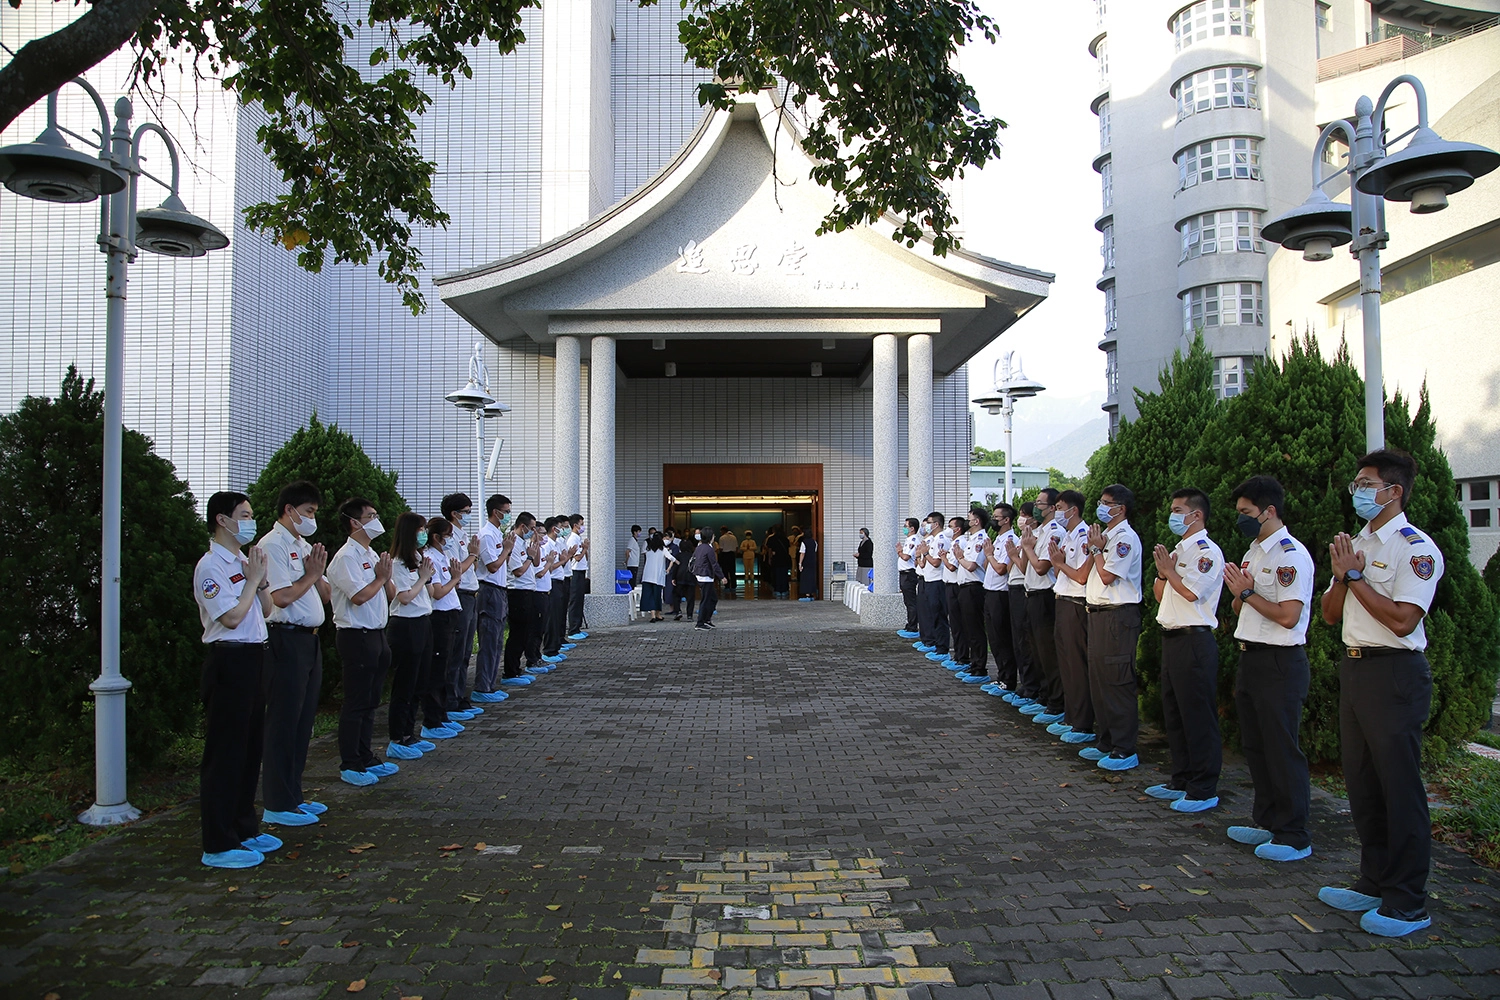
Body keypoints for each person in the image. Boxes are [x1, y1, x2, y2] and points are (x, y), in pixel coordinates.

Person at [1319, 449, 1446, 938]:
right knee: (1363, 783)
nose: (1358, 491)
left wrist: (1355, 577)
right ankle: (1374, 880)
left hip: (1394, 673)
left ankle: (1408, 900)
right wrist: (1340, 576)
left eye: (1367, 482)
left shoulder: (1414, 548)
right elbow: (1330, 615)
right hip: (1356, 670)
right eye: (1357, 482)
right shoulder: (1358, 544)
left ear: (1393, 491)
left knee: (1399, 787)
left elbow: (1402, 620)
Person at [1222, 475, 1316, 863]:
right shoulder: (1254, 550)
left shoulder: (1289, 554)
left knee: (1281, 748)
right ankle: (1267, 820)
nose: (1241, 519)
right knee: (1257, 745)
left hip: (1280, 660)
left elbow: (1288, 616)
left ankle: (1294, 833)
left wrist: (1246, 593)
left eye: (1246, 513)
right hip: (1252, 655)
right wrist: (1240, 596)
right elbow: (1239, 607)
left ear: (1269, 511)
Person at [193, 490, 276, 868]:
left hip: (254, 657)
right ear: (222, 520)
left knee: (249, 748)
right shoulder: (210, 566)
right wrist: (250, 581)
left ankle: (245, 827)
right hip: (229, 661)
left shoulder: (245, 560)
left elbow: (267, 607)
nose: (250, 521)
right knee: (225, 752)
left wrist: (259, 581)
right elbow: (230, 618)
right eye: (244, 515)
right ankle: (218, 841)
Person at [258, 480, 331, 828]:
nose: (312, 519)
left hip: (309, 641)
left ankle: (293, 795)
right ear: (289, 511)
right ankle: (276, 801)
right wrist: (312, 574)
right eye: (308, 512)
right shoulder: (272, 545)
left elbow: (326, 594)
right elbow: (281, 597)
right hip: (285, 639)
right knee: (284, 722)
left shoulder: (303, 545)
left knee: (302, 722)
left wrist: (316, 574)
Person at [1149, 488, 1225, 812]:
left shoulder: (1205, 552)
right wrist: (1166, 573)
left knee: (1197, 716)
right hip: (1172, 636)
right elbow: (1159, 592)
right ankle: (1180, 778)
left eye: (1179, 510)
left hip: (1194, 639)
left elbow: (1191, 593)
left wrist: (1169, 572)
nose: (1173, 515)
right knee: (1176, 713)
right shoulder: (1179, 551)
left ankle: (1203, 788)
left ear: (1196, 515)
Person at [326, 497, 395, 787]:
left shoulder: (369, 553)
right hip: (356, 635)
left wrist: (385, 577)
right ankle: (350, 762)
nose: (377, 519)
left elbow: (387, 593)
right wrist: (380, 578)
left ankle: (366, 755)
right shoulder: (346, 557)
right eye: (371, 515)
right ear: (355, 522)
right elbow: (359, 596)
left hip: (377, 633)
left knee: (371, 701)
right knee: (356, 702)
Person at [1082, 484, 1144, 771]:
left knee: (1117, 680)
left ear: (1121, 508)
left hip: (1117, 615)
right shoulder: (1107, 536)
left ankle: (1124, 747)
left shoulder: (1125, 539)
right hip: (1097, 613)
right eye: (1100, 501)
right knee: (1099, 679)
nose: (1102, 507)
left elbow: (1107, 575)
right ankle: (1105, 740)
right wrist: (1095, 547)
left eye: (1107, 503)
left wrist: (1096, 548)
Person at [386, 511, 437, 760]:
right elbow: (404, 597)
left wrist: (426, 576)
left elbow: (429, 591)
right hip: (405, 626)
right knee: (404, 685)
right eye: (420, 529)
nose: (424, 534)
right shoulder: (396, 563)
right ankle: (397, 737)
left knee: (420, 682)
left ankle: (410, 733)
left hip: (423, 622)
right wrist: (423, 578)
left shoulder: (418, 558)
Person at [1044, 489, 1090, 735]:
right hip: (1062, 599)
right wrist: (1059, 564)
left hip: (1075, 603)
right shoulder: (1069, 536)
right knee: (1066, 662)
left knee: (1076, 664)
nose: (1056, 512)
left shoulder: (1083, 536)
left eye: (1060, 507)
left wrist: (1059, 563)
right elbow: (1062, 572)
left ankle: (1081, 721)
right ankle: (1071, 716)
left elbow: (1081, 576)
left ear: (1073, 510)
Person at [1018, 489, 1065, 721]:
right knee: (1036, 649)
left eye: (1040, 503)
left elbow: (1041, 567)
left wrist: (1028, 547)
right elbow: (1025, 566)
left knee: (1048, 651)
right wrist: (1026, 544)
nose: (1036, 507)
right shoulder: (1039, 532)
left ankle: (1056, 702)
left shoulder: (1055, 532)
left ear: (1053, 507)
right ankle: (1043, 695)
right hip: (1031, 593)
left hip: (1046, 594)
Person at [440, 493, 485, 711]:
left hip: (470, 593)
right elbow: (456, 569)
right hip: (460, 595)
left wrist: (473, 557)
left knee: (466, 651)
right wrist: (473, 556)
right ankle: (451, 700)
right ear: (454, 513)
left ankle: (459, 696)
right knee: (456, 652)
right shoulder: (448, 537)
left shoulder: (463, 535)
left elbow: (471, 566)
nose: (469, 515)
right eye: (466, 512)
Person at [423, 517, 466, 740]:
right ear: (437, 537)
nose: (451, 539)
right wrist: (456, 578)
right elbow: (438, 591)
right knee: (437, 671)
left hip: (451, 612)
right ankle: (432, 719)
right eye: (448, 535)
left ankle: (441, 715)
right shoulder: (429, 557)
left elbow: (450, 584)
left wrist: (455, 579)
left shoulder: (443, 556)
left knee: (448, 665)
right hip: (439, 616)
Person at [472, 493, 513, 701]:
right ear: (495, 512)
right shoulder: (486, 535)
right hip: (489, 590)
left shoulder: (498, 533)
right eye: (505, 512)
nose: (508, 516)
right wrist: (506, 550)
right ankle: (482, 687)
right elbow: (493, 565)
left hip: (500, 590)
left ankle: (490, 683)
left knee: (497, 641)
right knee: (489, 640)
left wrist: (506, 549)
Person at [980, 504, 1017, 696]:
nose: (993, 520)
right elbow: (988, 564)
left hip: (1001, 594)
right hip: (990, 591)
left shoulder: (1011, 539)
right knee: (993, 638)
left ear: (1006, 520)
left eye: (997, 517)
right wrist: (989, 554)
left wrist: (990, 555)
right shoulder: (998, 538)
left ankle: (1008, 679)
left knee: (1002, 639)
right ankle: (1001, 676)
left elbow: (1001, 568)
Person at [1002, 503, 1037, 705]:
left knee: (1028, 643)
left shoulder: (1030, 538)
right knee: (1019, 641)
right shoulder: (1022, 539)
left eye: (1025, 515)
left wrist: (1015, 555)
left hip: (1028, 589)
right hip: (1016, 588)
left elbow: (1029, 567)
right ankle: (1026, 685)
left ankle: (1033, 688)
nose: (1021, 519)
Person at [501, 512, 543, 683]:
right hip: (517, 591)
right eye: (532, 528)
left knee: (526, 632)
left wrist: (536, 546)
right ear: (522, 526)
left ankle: (517, 668)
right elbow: (518, 571)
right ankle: (510, 671)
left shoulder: (524, 542)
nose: (534, 531)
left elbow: (536, 563)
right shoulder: (513, 542)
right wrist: (530, 556)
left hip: (528, 590)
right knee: (517, 633)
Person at [953, 508, 989, 683]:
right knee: (968, 628)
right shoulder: (972, 539)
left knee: (975, 630)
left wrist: (959, 558)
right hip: (964, 588)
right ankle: (973, 663)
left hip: (974, 588)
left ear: (977, 521)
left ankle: (979, 667)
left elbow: (972, 565)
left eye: (969, 519)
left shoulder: (981, 539)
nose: (967, 522)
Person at [914, 512, 950, 659]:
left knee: (939, 616)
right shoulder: (933, 540)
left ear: (936, 524)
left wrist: (926, 553)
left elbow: (936, 563)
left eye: (928, 522)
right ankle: (935, 643)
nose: (926, 526)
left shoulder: (941, 539)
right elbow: (923, 563)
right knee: (931, 614)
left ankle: (942, 647)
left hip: (937, 582)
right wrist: (919, 554)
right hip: (928, 581)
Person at [940, 517, 966, 665]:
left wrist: (943, 558)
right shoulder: (954, 542)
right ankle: (958, 655)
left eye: (950, 526)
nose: (948, 529)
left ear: (958, 529)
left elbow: (952, 566)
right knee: (954, 623)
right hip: (949, 584)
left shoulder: (960, 542)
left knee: (958, 624)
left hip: (955, 585)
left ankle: (962, 657)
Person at [692, 528, 727, 629]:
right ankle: (700, 623)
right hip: (706, 576)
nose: (714, 537)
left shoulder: (699, 547)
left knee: (712, 599)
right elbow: (714, 564)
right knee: (706, 600)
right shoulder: (708, 548)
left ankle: (706, 619)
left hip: (700, 575)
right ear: (709, 537)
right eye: (713, 535)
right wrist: (722, 577)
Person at [566, 513, 590, 639]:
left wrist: (585, 549)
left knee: (580, 600)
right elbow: (577, 557)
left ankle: (578, 627)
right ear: (575, 525)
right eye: (581, 524)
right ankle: (573, 629)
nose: (583, 526)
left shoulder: (578, 538)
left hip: (581, 571)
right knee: (575, 601)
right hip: (575, 572)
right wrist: (585, 549)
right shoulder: (573, 539)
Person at [897, 517, 921, 637]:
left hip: (909, 573)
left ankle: (913, 626)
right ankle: (909, 624)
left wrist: (899, 552)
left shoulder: (913, 540)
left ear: (912, 528)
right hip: (904, 573)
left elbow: (906, 557)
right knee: (907, 601)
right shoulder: (908, 540)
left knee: (911, 601)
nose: (904, 528)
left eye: (906, 526)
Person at [641, 532, 669, 622]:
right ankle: (658, 614)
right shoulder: (663, 549)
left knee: (649, 596)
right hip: (657, 577)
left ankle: (653, 616)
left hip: (647, 576)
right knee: (657, 596)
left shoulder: (648, 549)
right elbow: (671, 558)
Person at [765, 525, 791, 598]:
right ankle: (785, 590)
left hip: (776, 559)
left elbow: (769, 549)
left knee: (776, 575)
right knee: (784, 575)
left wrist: (769, 559)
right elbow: (788, 549)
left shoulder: (772, 539)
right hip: (784, 559)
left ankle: (778, 590)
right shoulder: (785, 539)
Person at [796, 527, 819, 601]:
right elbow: (815, 551)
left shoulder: (804, 542)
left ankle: (807, 594)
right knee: (812, 577)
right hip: (812, 562)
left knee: (805, 578)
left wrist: (800, 563)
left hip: (806, 562)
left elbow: (802, 554)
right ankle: (812, 593)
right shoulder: (814, 542)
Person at [719, 525, 739, 597]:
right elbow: (736, 548)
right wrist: (735, 555)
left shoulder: (722, 538)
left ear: (723, 531)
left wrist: (720, 556)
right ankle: (733, 586)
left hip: (725, 555)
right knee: (732, 571)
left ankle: (727, 586)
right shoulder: (734, 537)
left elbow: (721, 548)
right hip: (732, 555)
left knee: (725, 571)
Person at [739, 530, 759, 598]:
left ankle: (752, 577)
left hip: (751, 555)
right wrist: (745, 548)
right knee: (746, 567)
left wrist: (750, 548)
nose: (748, 536)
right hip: (745, 555)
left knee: (751, 567)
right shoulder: (743, 542)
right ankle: (746, 577)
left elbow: (755, 547)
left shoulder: (753, 542)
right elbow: (741, 548)